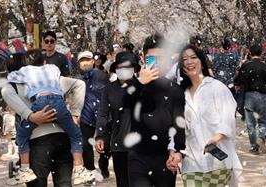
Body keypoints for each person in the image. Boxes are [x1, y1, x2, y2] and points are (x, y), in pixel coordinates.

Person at [1, 49, 88, 187]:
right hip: (62, 137)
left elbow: (5, 91)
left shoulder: (14, 83)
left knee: (37, 184)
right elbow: (79, 84)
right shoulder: (53, 79)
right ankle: (80, 169)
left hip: (36, 141)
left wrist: (30, 115)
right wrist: (75, 113)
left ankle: (24, 170)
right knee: (64, 184)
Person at [122, 33, 186, 187]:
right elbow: (124, 102)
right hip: (138, 155)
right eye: (152, 59)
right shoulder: (135, 85)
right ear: (144, 59)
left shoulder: (175, 90)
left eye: (161, 58)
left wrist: (178, 151)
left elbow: (179, 124)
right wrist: (140, 82)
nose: (157, 63)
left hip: (164, 156)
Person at [177, 44, 242, 187]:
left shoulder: (217, 87)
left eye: (193, 57)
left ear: (202, 61)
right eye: (185, 59)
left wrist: (217, 137)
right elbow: (181, 128)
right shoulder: (181, 94)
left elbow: (228, 118)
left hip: (217, 162)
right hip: (191, 163)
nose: (189, 62)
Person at [95, 51, 138, 187]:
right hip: (118, 143)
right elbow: (102, 113)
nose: (124, 69)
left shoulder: (141, 86)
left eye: (128, 66)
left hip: (139, 145)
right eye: (120, 66)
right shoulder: (109, 89)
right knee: (122, 182)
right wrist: (100, 136)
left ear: (134, 68)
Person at [234, 43, 266, 154]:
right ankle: (261, 137)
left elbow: (238, 82)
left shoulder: (246, 66)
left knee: (251, 123)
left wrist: (238, 89)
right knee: (263, 121)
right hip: (262, 96)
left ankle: (254, 146)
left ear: (250, 53)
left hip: (249, 96)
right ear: (261, 53)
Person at [77, 51, 110, 179]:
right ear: (79, 63)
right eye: (82, 60)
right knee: (86, 145)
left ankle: (103, 165)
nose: (85, 63)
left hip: (103, 115)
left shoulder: (102, 76)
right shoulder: (77, 79)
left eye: (87, 60)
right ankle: (89, 169)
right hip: (85, 116)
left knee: (105, 144)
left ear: (92, 61)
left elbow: (109, 94)